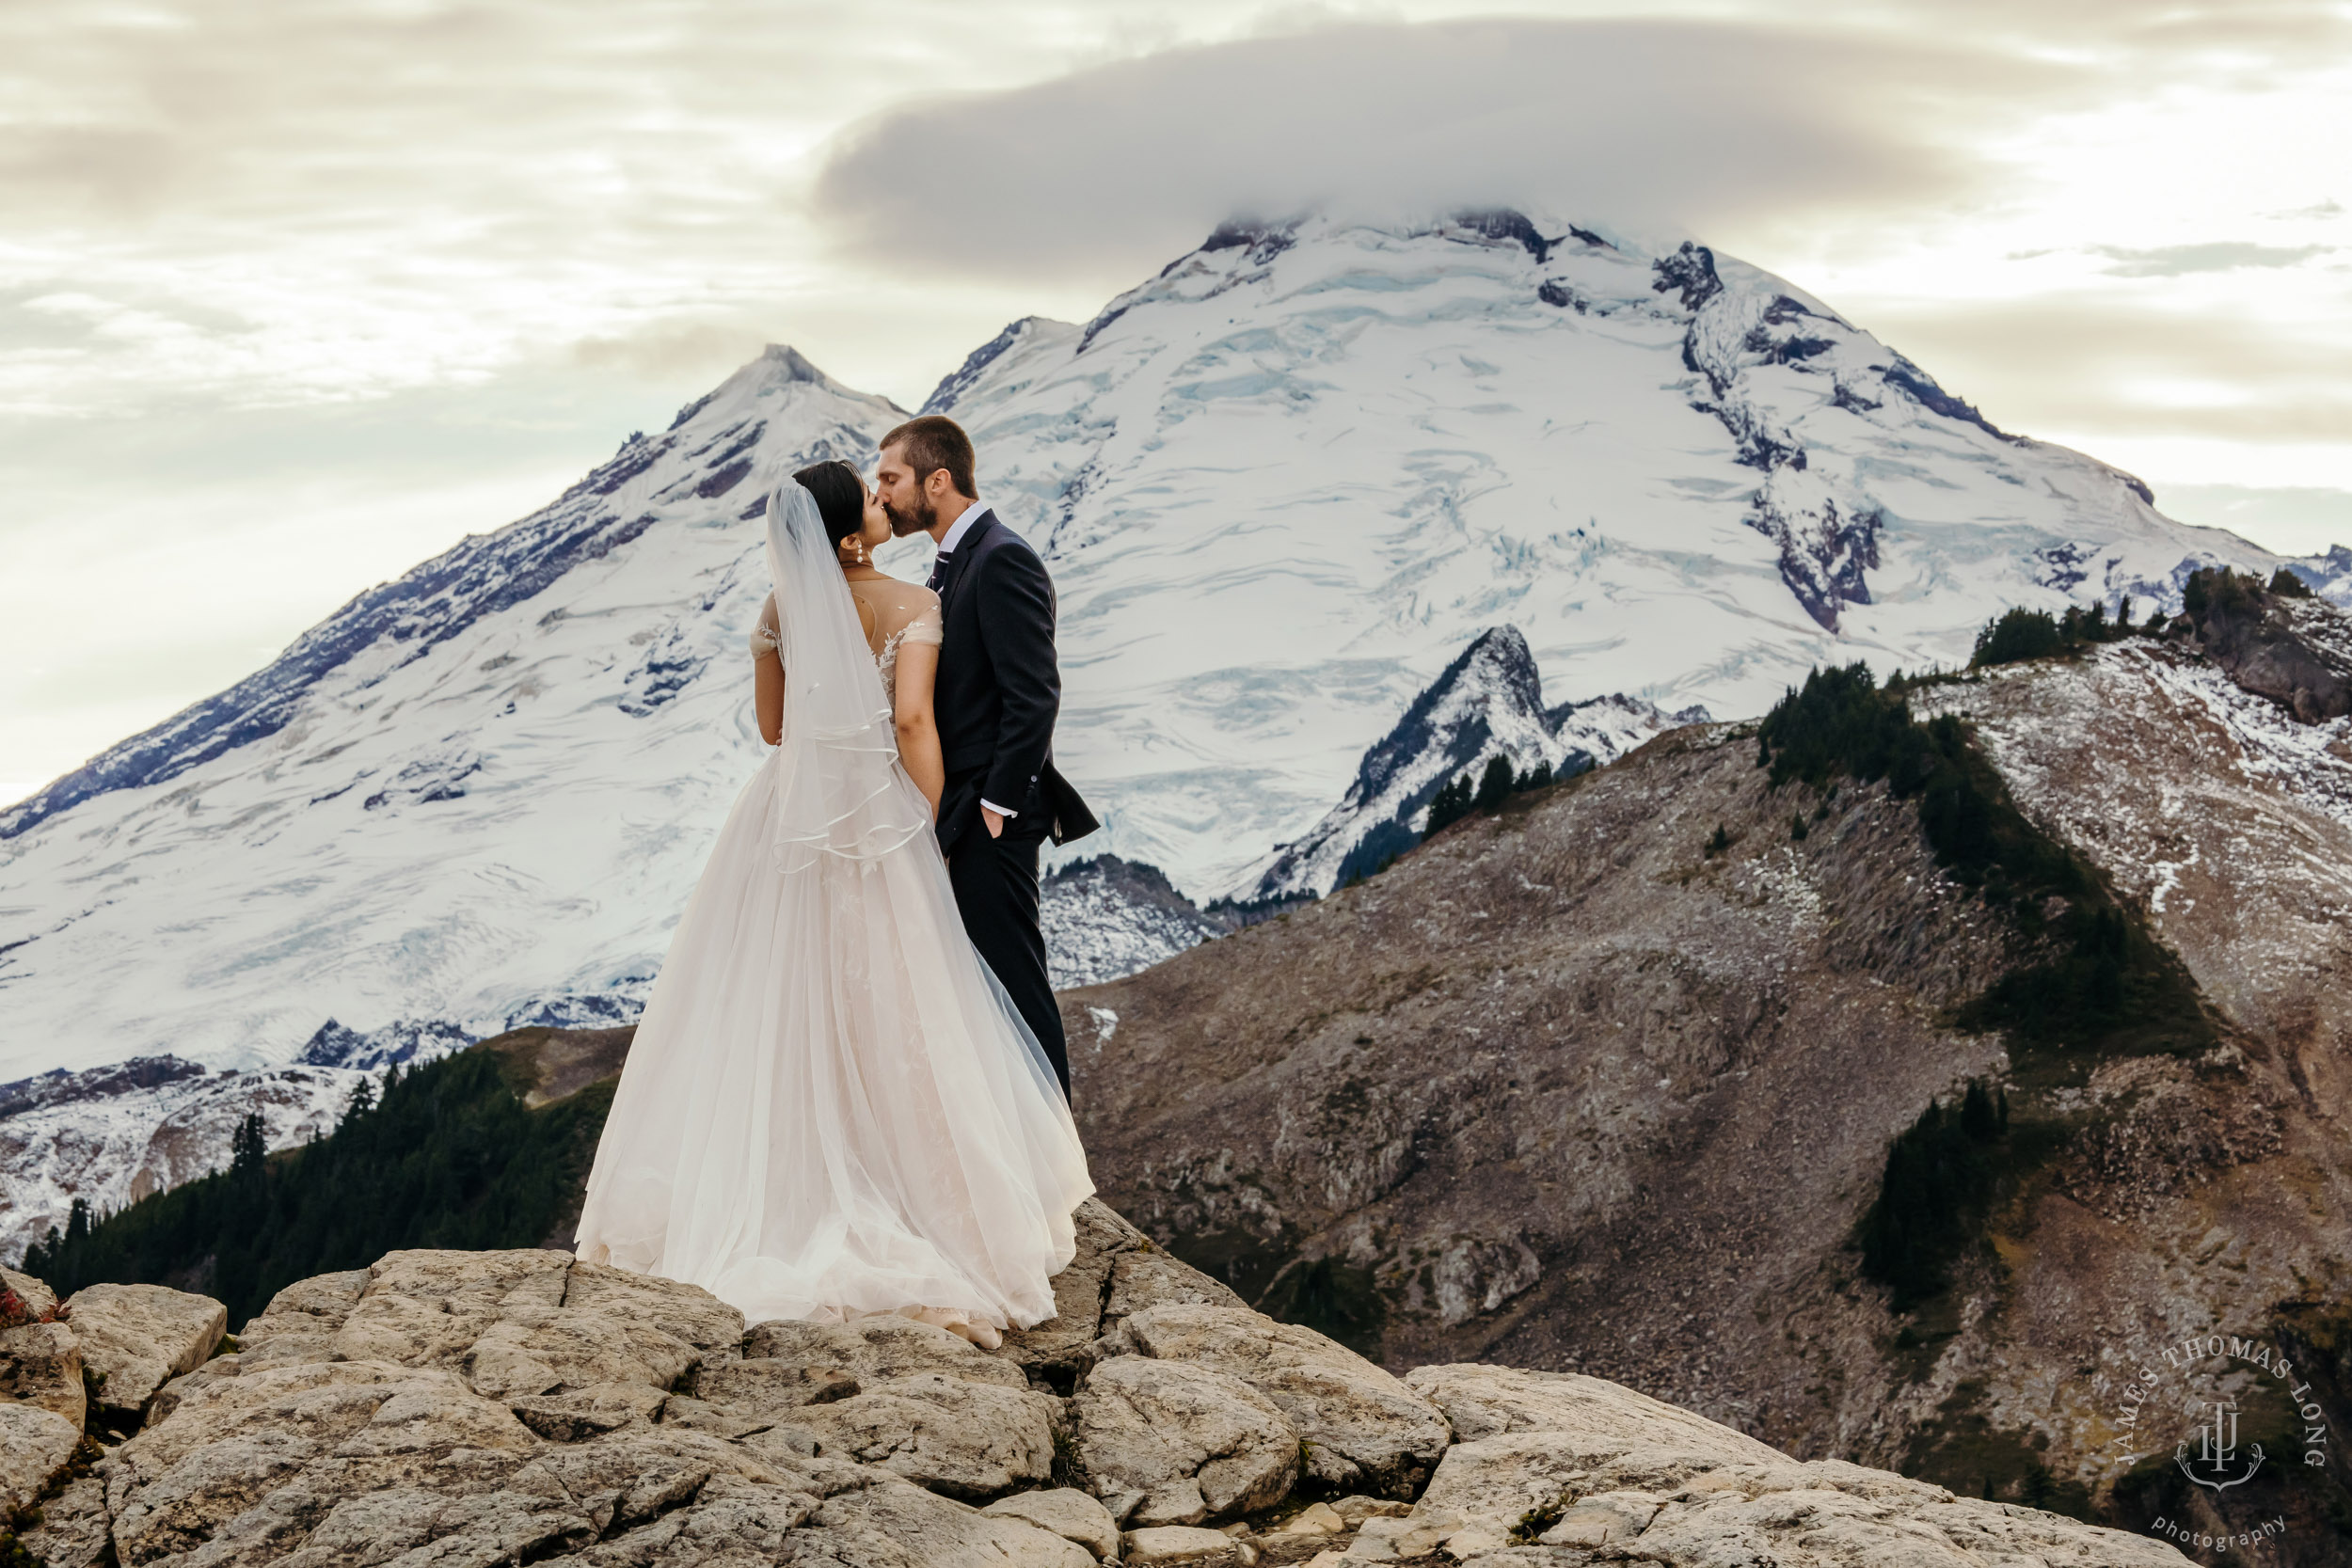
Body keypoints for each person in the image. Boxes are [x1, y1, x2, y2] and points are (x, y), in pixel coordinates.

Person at [573, 459, 1093, 1348]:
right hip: (877, 818)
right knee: (894, 1005)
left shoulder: (779, 613)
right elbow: (914, 724)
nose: (879, 497)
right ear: (851, 525)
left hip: (786, 816)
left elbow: (774, 730)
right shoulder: (908, 606)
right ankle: (916, 1192)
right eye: (867, 491)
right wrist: (923, 824)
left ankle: (785, 1188)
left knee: (784, 1001)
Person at [874, 416, 1095, 1098]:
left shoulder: (1002, 557)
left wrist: (997, 805)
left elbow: (1034, 693)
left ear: (936, 481)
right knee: (985, 990)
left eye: (891, 478)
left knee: (1016, 984)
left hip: (992, 815)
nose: (879, 494)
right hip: (963, 813)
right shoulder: (955, 561)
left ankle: (1058, 1162)